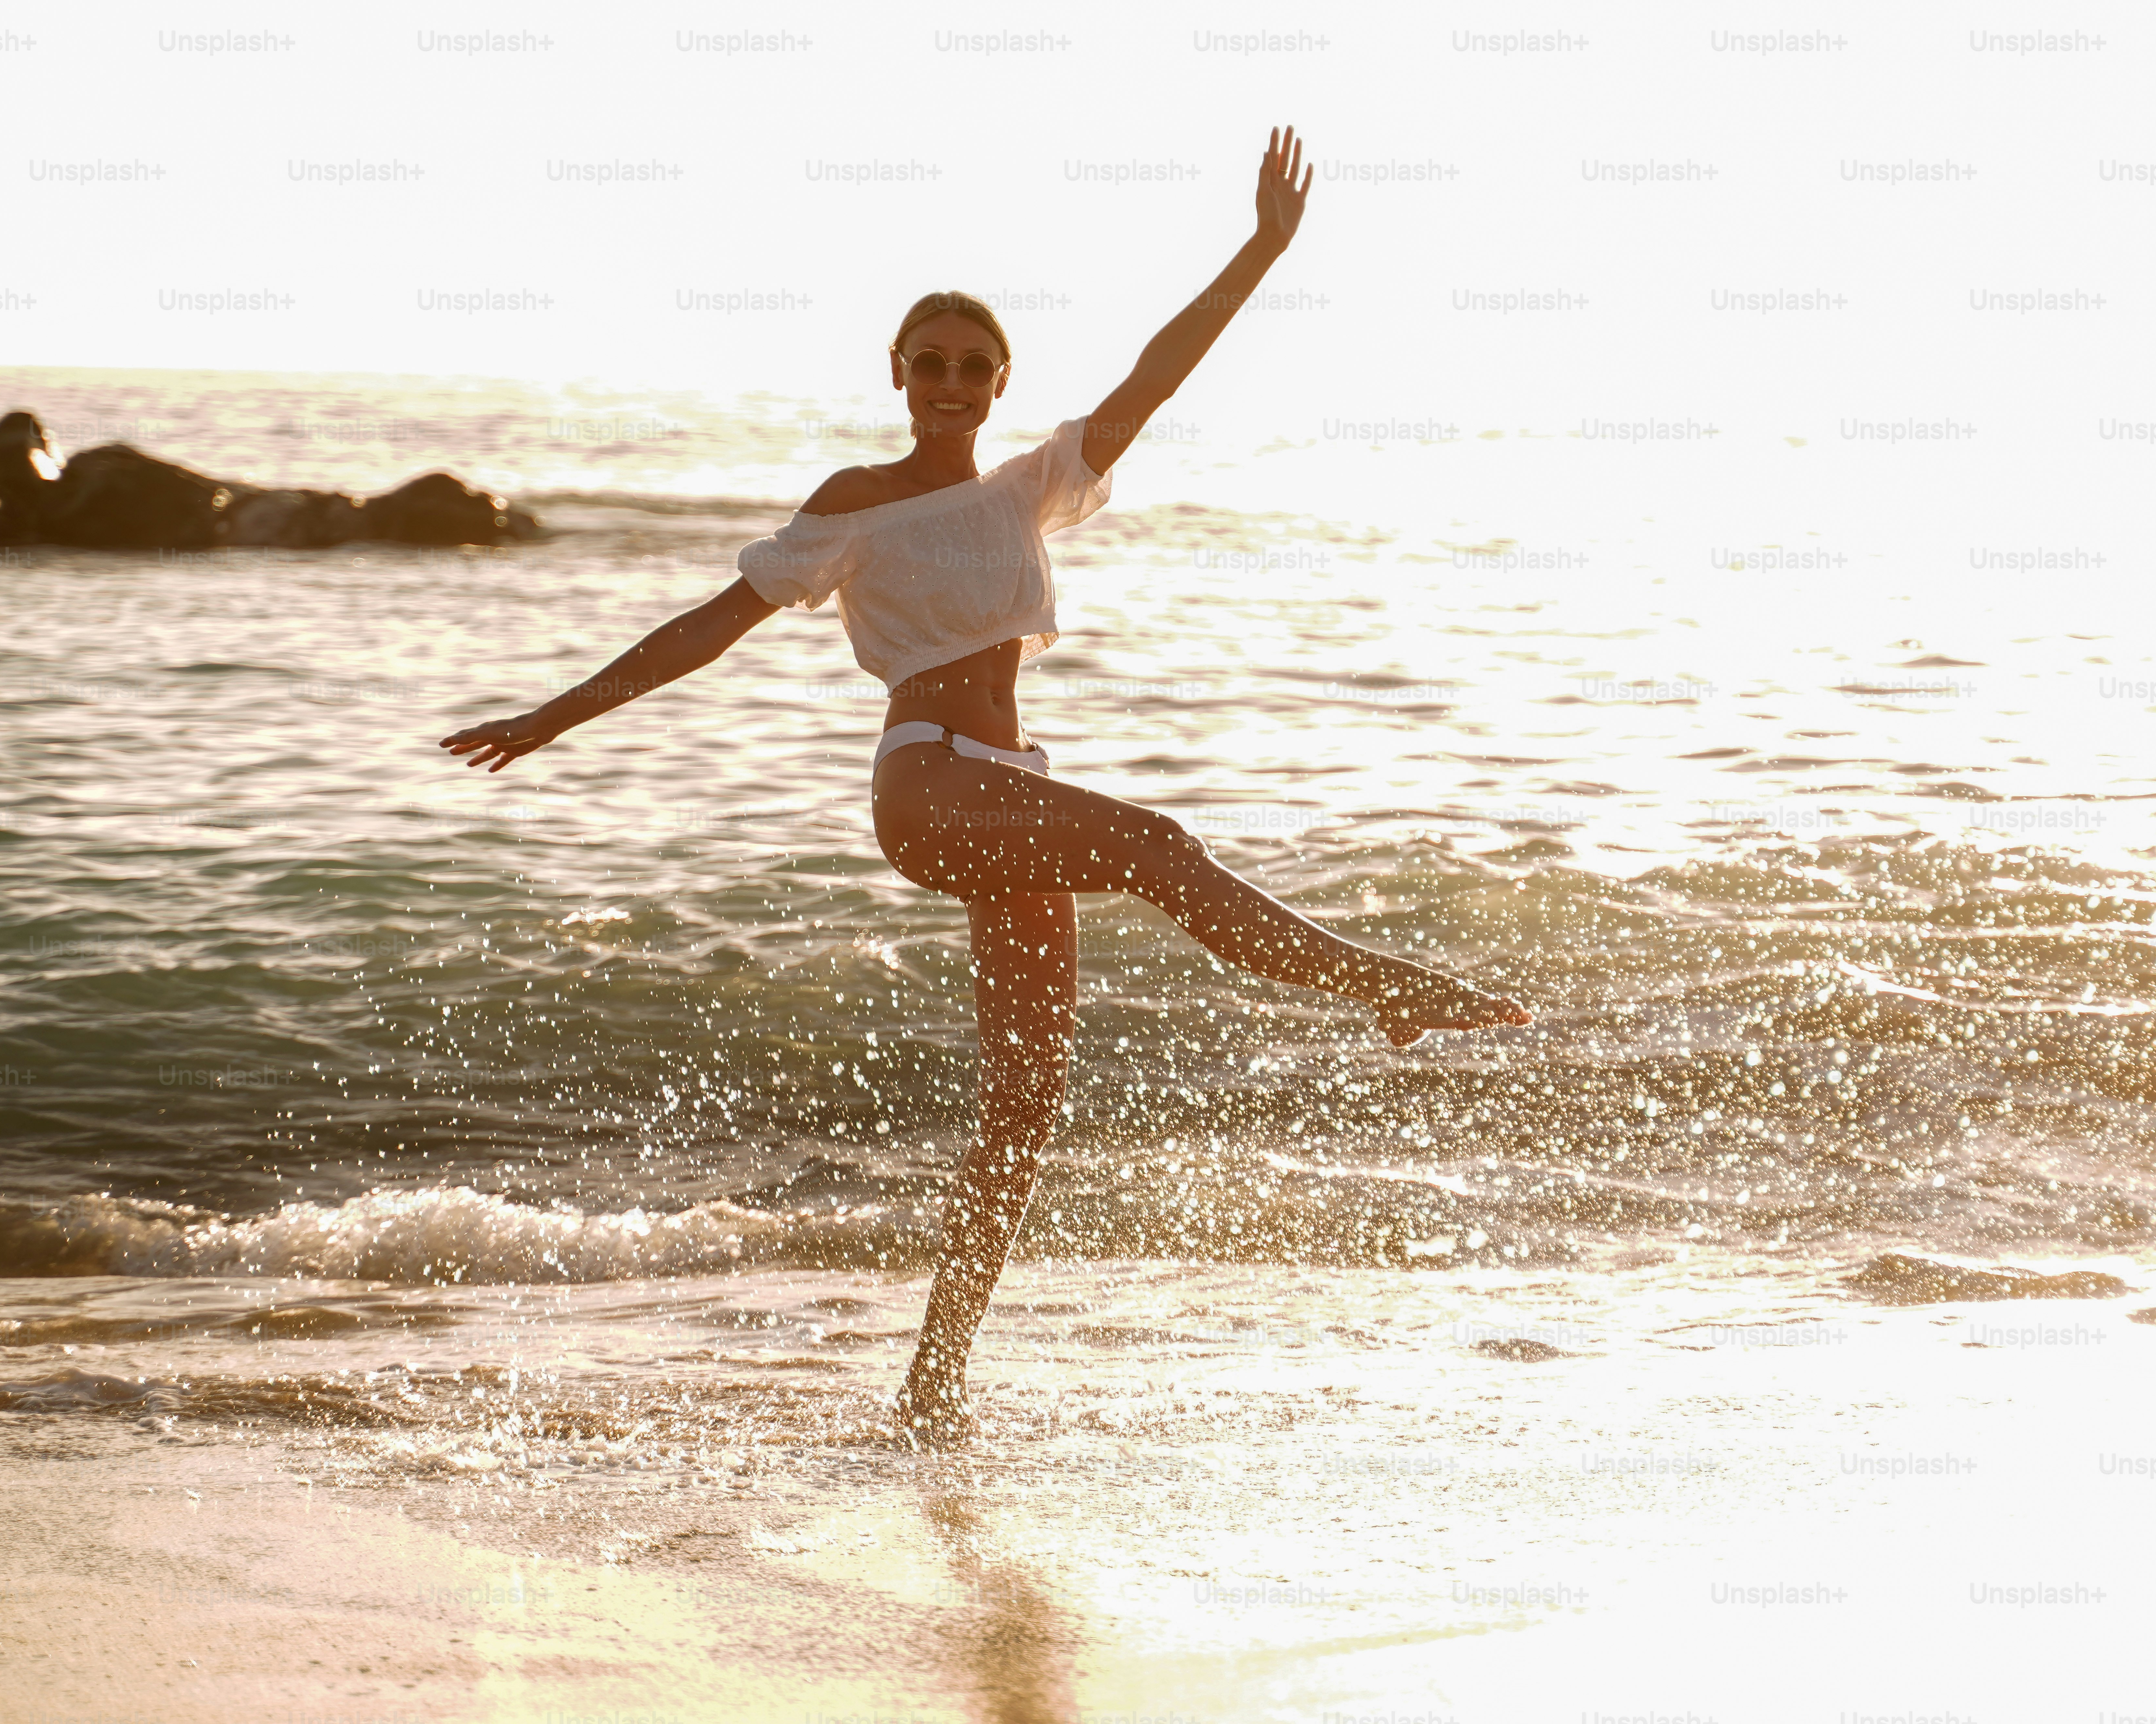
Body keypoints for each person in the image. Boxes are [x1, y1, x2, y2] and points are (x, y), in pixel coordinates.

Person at [442, 126, 1531, 1445]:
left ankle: (933, 1385)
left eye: (973, 366)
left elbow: (1153, 379)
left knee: (1021, 1116)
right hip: (930, 781)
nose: (949, 382)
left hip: (1005, 786)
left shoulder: (1029, 490)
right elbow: (704, 628)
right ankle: (1386, 991)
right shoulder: (852, 503)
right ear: (897, 378)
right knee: (1158, 843)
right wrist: (551, 720)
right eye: (928, 365)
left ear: (998, 381)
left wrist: (1259, 249)